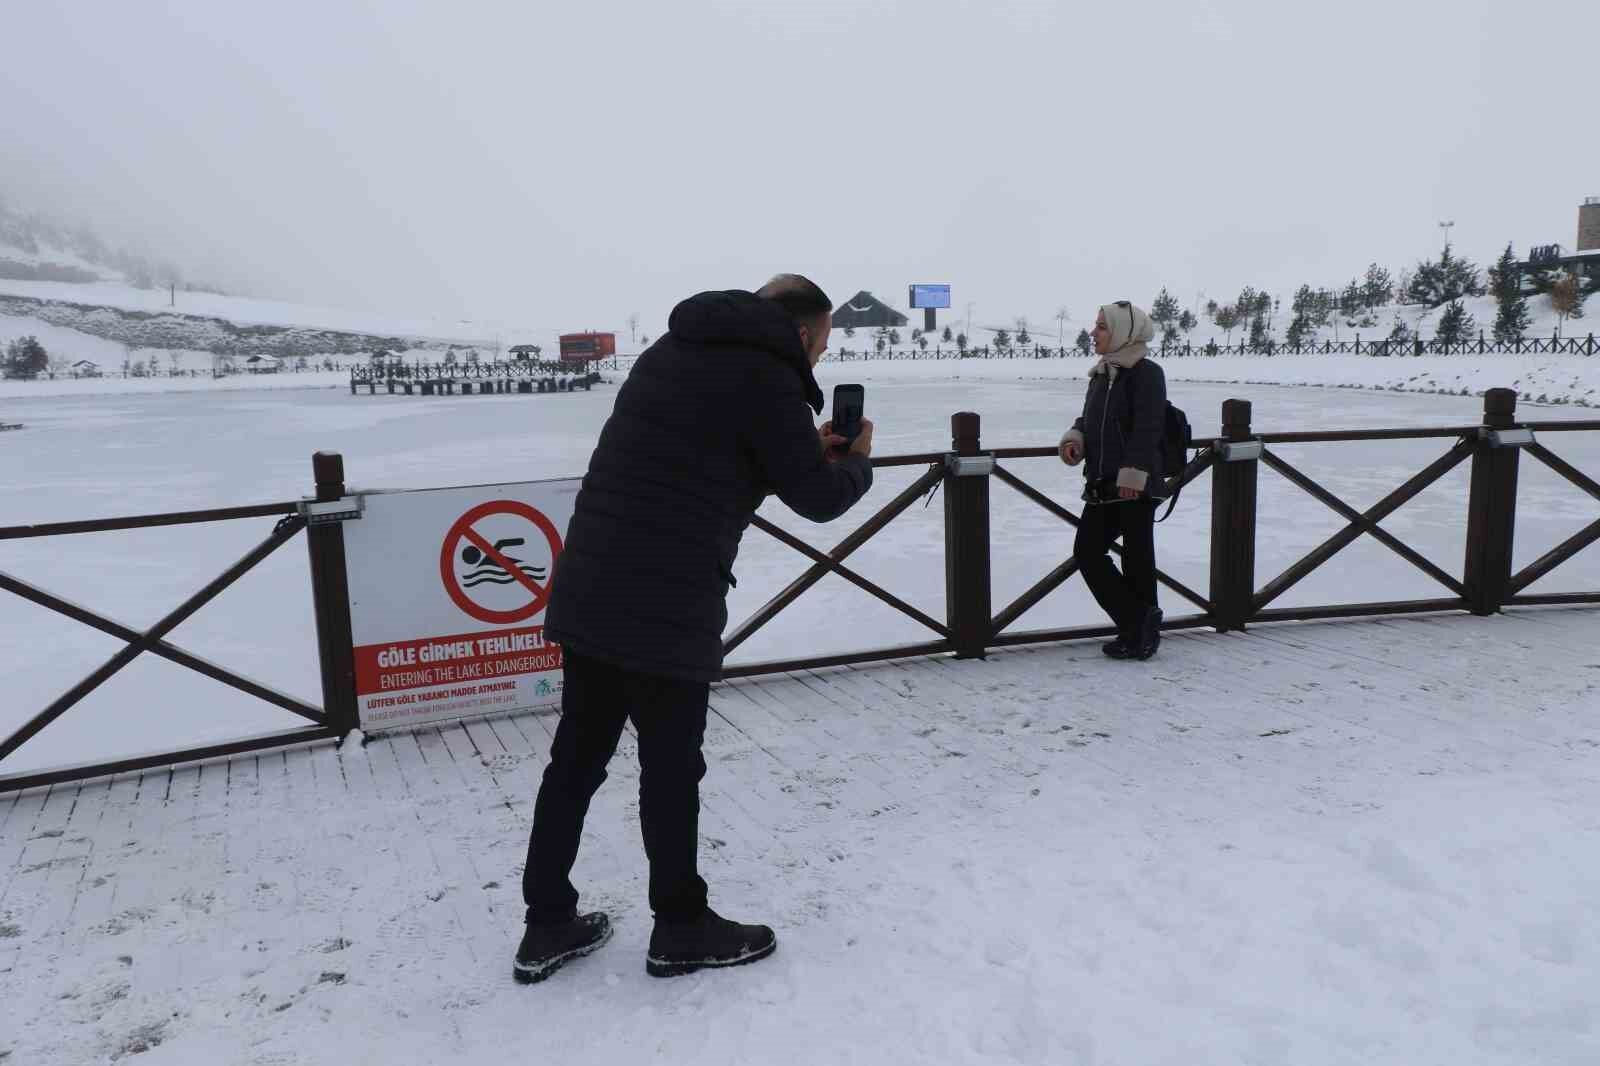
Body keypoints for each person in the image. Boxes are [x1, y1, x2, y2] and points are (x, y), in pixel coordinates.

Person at [514, 274, 875, 983]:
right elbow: (817, 497)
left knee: (575, 762)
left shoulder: (669, 350)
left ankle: (546, 923)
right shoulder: (769, 376)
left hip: (591, 582)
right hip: (668, 599)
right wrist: (856, 463)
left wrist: (800, 447)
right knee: (671, 769)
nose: (819, 361)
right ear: (802, 334)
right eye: (824, 346)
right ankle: (680, 926)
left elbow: (705, 455)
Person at [1058, 301, 1168, 661]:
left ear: (1123, 332)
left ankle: (1138, 633)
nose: (1094, 332)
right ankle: (1139, 623)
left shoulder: (1146, 373)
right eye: (1096, 325)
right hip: (1103, 483)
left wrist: (1133, 475)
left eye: (1102, 327)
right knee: (1087, 553)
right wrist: (1075, 438)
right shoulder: (1103, 373)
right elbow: (1091, 420)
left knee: (1136, 561)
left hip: (1134, 485)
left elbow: (1148, 427)